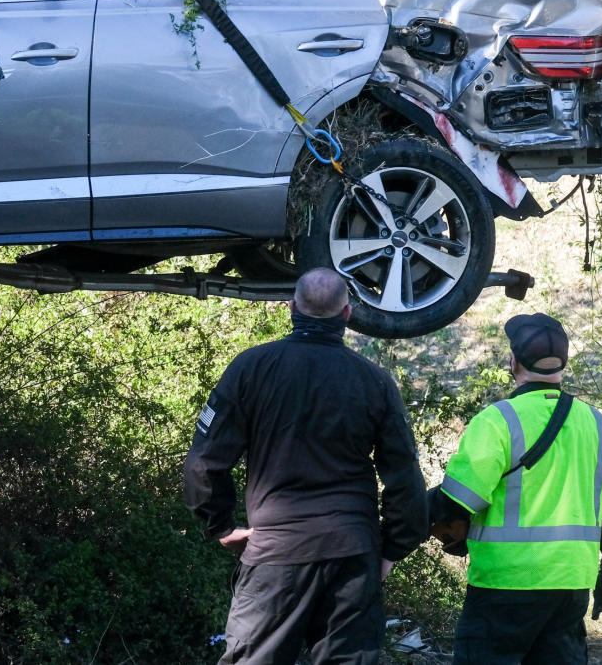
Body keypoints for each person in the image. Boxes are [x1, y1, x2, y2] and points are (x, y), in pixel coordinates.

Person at [183, 267, 427, 664]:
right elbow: (404, 476)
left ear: (291, 308)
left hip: (274, 552)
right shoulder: (375, 381)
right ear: (347, 315)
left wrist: (221, 526)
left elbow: (203, 461)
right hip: (352, 554)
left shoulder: (250, 368)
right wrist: (393, 548)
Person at [432, 313, 602, 664]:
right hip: (570, 586)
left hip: (503, 585)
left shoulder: (498, 420)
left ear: (513, 362)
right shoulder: (600, 426)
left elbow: (455, 501)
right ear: (563, 364)